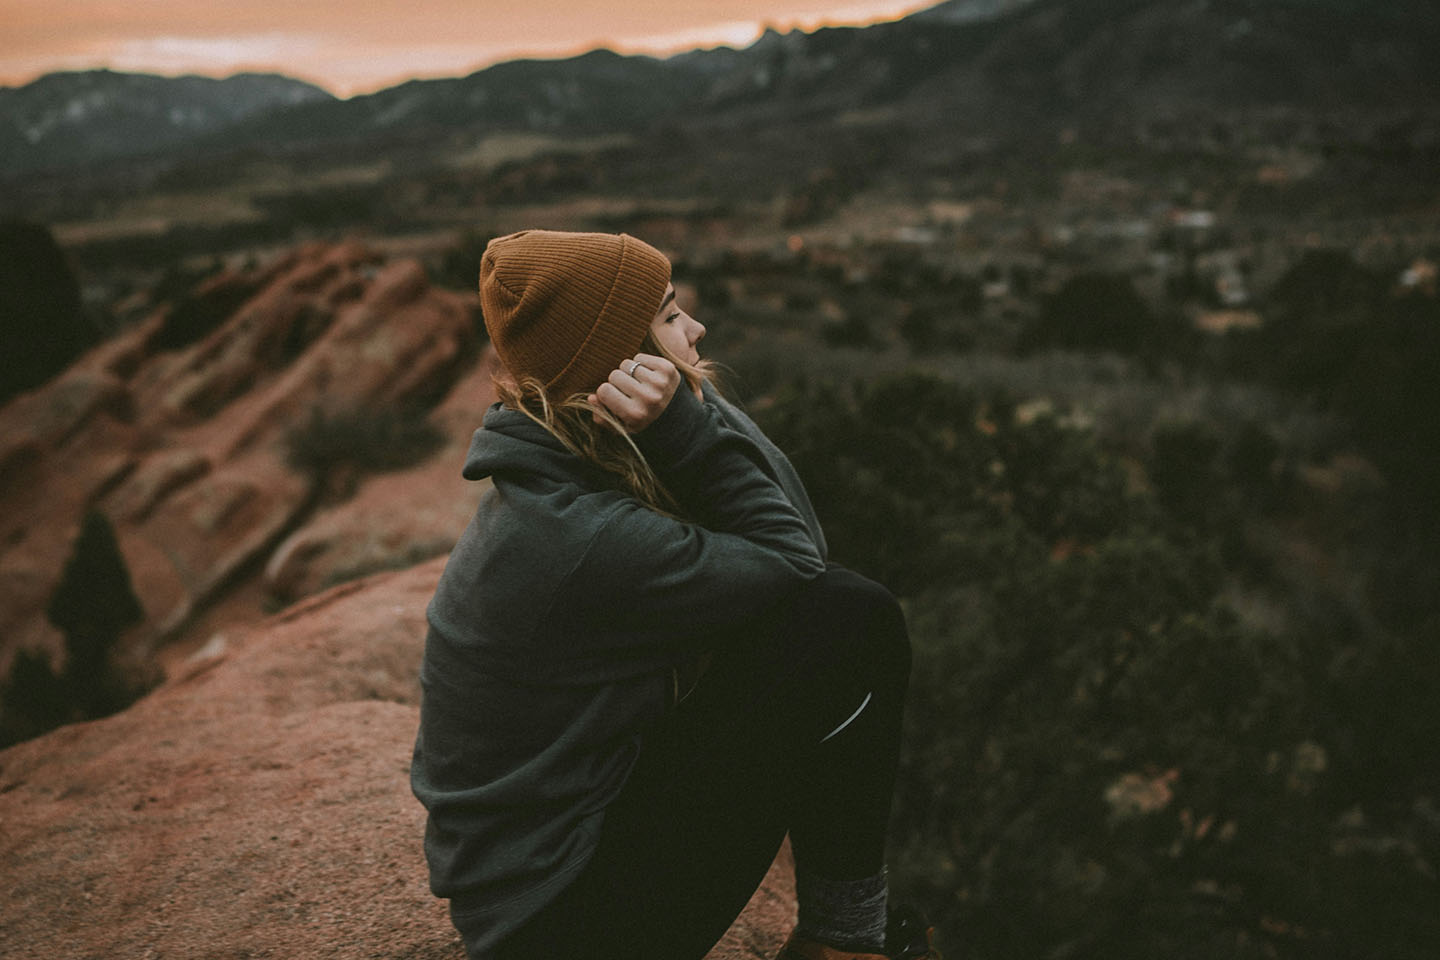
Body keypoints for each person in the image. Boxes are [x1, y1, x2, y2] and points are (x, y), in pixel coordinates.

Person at [411, 229, 935, 960]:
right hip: (563, 927)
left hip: (561, 875)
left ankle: (844, 939)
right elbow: (802, 563)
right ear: (617, 368)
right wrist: (685, 421)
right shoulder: (577, 538)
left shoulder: (568, 467)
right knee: (852, 619)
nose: (696, 329)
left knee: (832, 616)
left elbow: (797, 536)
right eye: (668, 316)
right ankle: (844, 945)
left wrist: (683, 405)